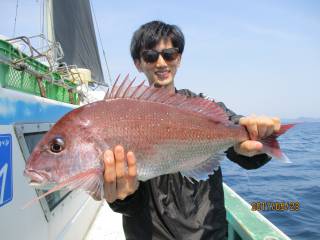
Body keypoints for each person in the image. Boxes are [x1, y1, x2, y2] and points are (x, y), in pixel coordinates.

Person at [102, 21, 281, 239]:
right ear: (138, 63)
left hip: (208, 234)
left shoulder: (205, 107)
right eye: (150, 56)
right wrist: (123, 197)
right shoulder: (123, 115)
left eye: (169, 54)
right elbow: (128, 205)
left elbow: (238, 135)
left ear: (179, 59)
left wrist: (256, 139)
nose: (161, 62)